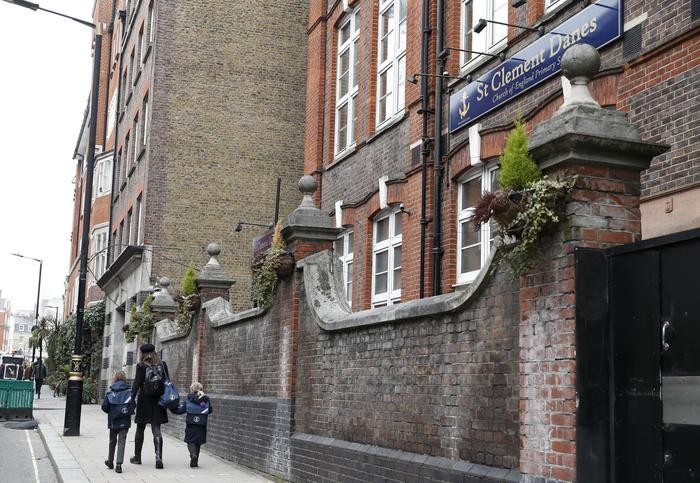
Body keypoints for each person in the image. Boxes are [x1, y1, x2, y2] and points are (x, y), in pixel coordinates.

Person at [130, 343, 169, 469]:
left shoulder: (141, 366)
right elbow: (167, 382)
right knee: (156, 428)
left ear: (143, 354)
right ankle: (158, 458)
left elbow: (136, 384)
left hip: (144, 400)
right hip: (159, 401)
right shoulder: (162, 364)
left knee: (140, 428)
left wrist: (131, 399)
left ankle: (137, 457)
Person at [101, 371, 134, 474]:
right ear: (124, 379)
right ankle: (119, 465)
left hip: (113, 420)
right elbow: (133, 406)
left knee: (112, 440)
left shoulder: (110, 392)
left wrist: (112, 412)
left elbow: (104, 407)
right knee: (121, 441)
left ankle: (110, 461)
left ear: (114, 379)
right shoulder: (129, 392)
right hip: (125, 420)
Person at [174, 382, 212, 468]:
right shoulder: (206, 399)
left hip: (191, 425)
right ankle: (195, 461)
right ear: (201, 389)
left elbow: (180, 411)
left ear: (192, 390)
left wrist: (171, 407)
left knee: (190, 441)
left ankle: (193, 454)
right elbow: (210, 410)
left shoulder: (189, 399)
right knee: (198, 442)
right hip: (201, 425)